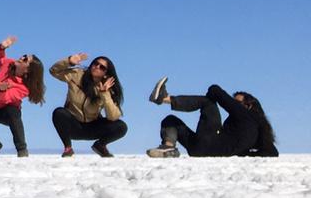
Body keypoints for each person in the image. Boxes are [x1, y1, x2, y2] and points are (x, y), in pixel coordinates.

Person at [145, 80, 279, 158]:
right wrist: (242, 153)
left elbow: (214, 89)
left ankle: (164, 99)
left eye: (236, 102)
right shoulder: (260, 130)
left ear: (248, 106)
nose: (233, 104)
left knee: (207, 102)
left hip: (207, 145)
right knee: (170, 120)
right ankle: (168, 148)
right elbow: (272, 152)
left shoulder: (245, 114)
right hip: (202, 150)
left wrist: (211, 101)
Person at [49, 52, 126, 156]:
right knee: (59, 113)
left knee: (121, 126)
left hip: (92, 127)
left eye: (102, 67)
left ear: (106, 73)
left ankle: (100, 145)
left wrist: (105, 94)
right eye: (95, 63)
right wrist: (69, 61)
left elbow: (113, 116)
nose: (97, 67)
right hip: (73, 125)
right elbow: (53, 71)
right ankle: (68, 148)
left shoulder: (108, 89)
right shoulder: (76, 74)